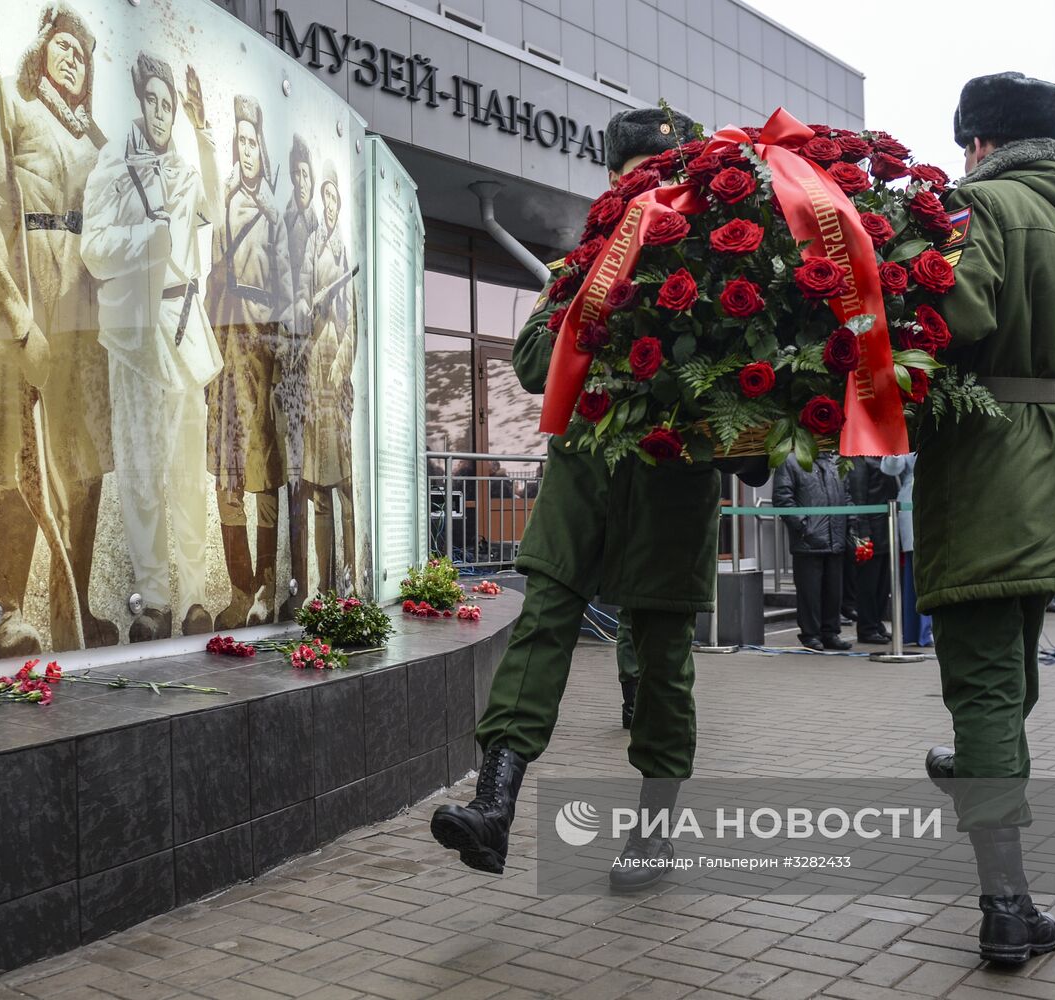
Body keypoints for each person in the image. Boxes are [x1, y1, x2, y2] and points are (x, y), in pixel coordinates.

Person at [430, 108, 716, 892]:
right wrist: (590, 294)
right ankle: (494, 803)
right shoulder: (585, 259)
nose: (641, 183)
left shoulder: (728, 261)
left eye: (658, 168)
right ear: (614, 175)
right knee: (544, 621)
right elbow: (528, 366)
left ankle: (654, 832)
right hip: (585, 466)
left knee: (660, 655)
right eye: (630, 169)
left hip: (671, 472)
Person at [917, 72, 1055, 965]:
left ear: (977, 141)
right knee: (1015, 661)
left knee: (986, 688)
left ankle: (1006, 904)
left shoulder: (978, 206)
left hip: (988, 458)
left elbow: (955, 312)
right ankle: (974, 767)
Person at [0, 2, 115, 657]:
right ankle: (5, 616)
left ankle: (71, 606)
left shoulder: (94, 142)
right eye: (63, 44)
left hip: (84, 325)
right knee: (21, 463)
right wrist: (17, 320)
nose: (72, 57)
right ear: (42, 46)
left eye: (83, 52)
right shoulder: (7, 101)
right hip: (23, 311)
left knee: (84, 470)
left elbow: (102, 235)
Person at [81, 54, 223, 642]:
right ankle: (153, 601)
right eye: (155, 102)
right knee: (141, 470)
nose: (161, 113)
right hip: (135, 332)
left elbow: (213, 208)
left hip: (185, 326)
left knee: (188, 473)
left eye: (169, 105)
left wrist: (204, 132)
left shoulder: (187, 170)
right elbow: (93, 248)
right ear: (140, 101)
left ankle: (193, 598)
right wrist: (150, 236)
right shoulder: (114, 161)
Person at [205, 95, 292, 628]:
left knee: (264, 473)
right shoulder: (223, 204)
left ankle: (265, 586)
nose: (246, 150)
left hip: (261, 354)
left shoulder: (274, 215)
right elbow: (214, 269)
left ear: (262, 147)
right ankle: (239, 590)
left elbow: (281, 289)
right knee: (227, 473)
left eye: (252, 140)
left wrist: (276, 351)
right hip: (225, 349)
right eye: (239, 141)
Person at [300, 159, 362, 594]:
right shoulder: (311, 249)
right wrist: (310, 307)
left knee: (345, 488)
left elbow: (355, 324)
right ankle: (323, 588)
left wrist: (340, 371)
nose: (328, 204)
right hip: (311, 376)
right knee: (318, 489)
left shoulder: (345, 254)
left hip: (334, 384)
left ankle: (352, 580)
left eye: (333, 197)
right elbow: (300, 305)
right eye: (324, 196)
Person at [274, 134, 321, 617]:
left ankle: (303, 583)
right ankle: (292, 586)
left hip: (312, 369)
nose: (302, 182)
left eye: (308, 174)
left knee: (306, 477)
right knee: (289, 475)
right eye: (298, 174)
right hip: (285, 360)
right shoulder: (283, 222)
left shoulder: (318, 228)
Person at [771, 451, 855, 652]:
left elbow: (847, 494)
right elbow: (783, 497)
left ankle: (830, 632)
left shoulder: (836, 460)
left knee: (834, 591)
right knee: (809, 593)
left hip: (836, 537)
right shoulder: (791, 460)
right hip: (808, 541)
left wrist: (851, 521)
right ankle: (810, 635)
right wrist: (803, 526)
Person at [879, 454, 933, 646]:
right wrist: (895, 446)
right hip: (913, 504)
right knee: (914, 572)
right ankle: (917, 632)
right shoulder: (909, 438)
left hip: (942, 499)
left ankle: (928, 631)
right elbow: (890, 467)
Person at [846, 457, 897, 644]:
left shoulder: (882, 458)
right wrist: (863, 533)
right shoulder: (861, 460)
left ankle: (876, 624)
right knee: (868, 584)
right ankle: (867, 628)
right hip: (871, 532)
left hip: (885, 529)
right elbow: (859, 499)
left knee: (882, 584)